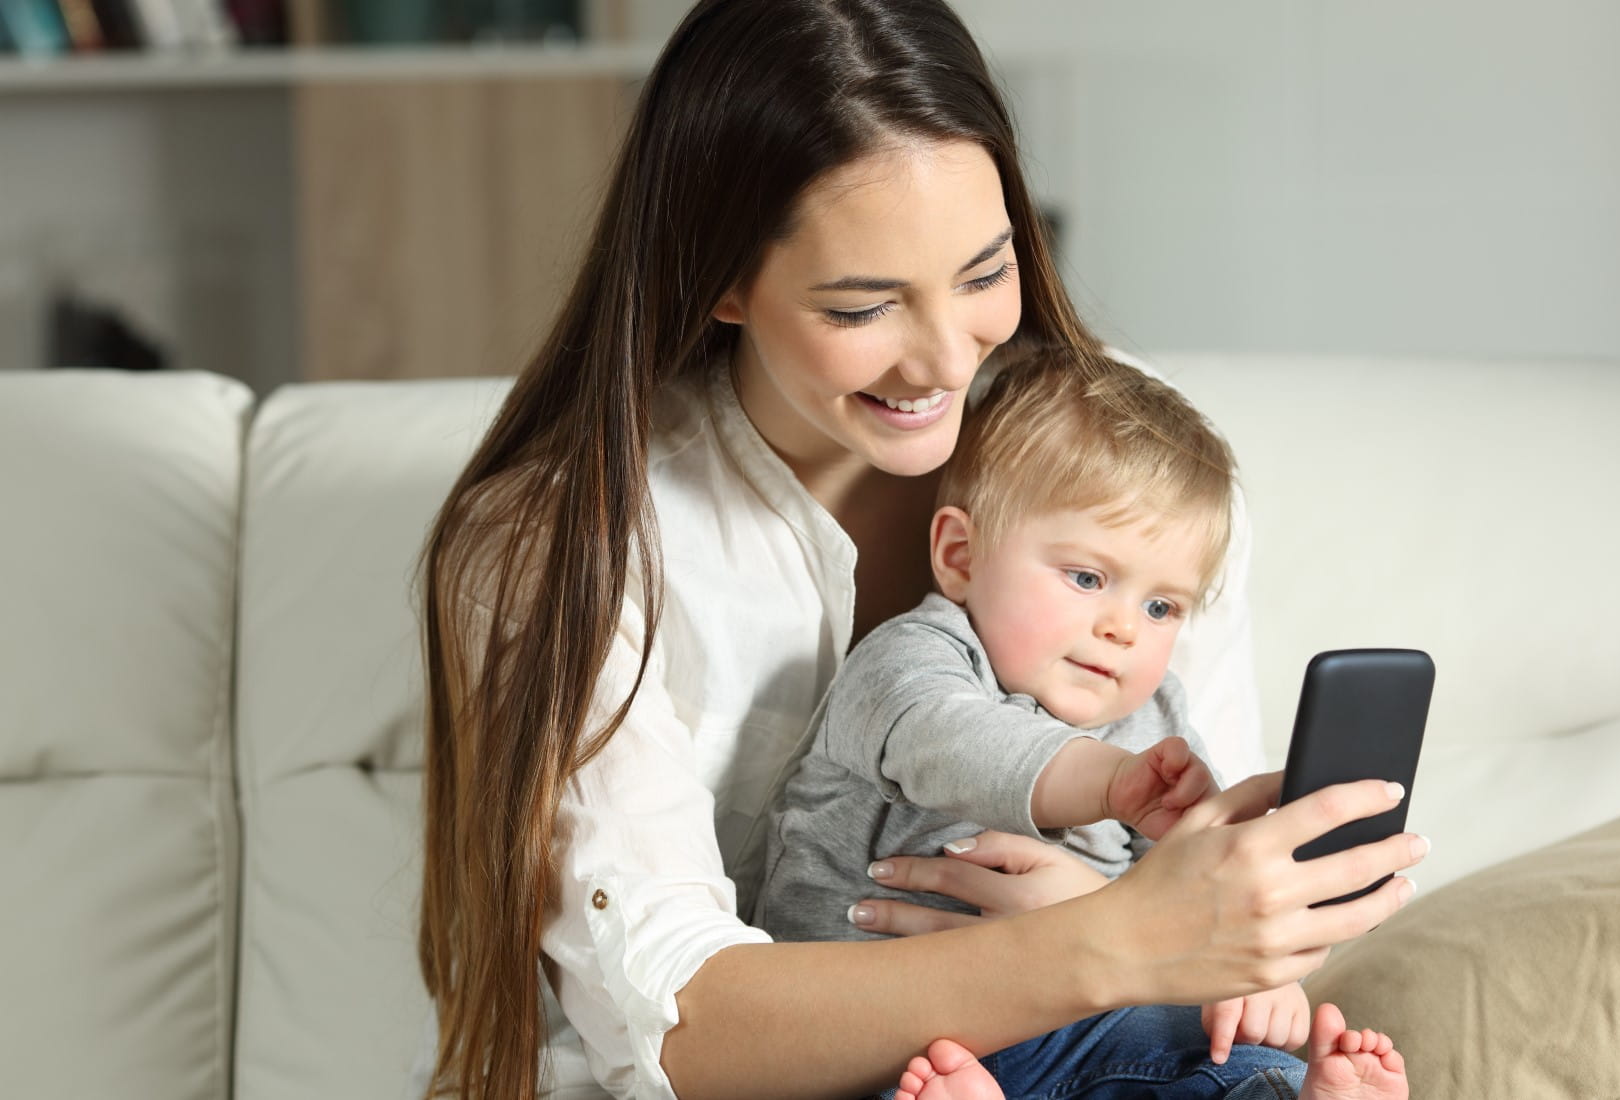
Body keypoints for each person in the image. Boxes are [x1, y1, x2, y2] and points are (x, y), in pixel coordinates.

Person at [415, 1, 1428, 1097]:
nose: (945, 358)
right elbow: (681, 1026)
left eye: (986, 274)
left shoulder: (1131, 474)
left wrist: (1234, 918)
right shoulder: (558, 545)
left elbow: (1194, 893)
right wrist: (1100, 944)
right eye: (864, 306)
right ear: (721, 280)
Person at [755, 350, 1410, 1100]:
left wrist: (1255, 973)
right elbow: (953, 746)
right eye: (1088, 578)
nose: (1124, 629)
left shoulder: (1156, 712)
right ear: (960, 556)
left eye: (1161, 607)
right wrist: (1110, 780)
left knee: (1230, 1059)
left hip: (1081, 1029)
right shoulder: (913, 660)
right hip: (880, 1018)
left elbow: (1201, 882)